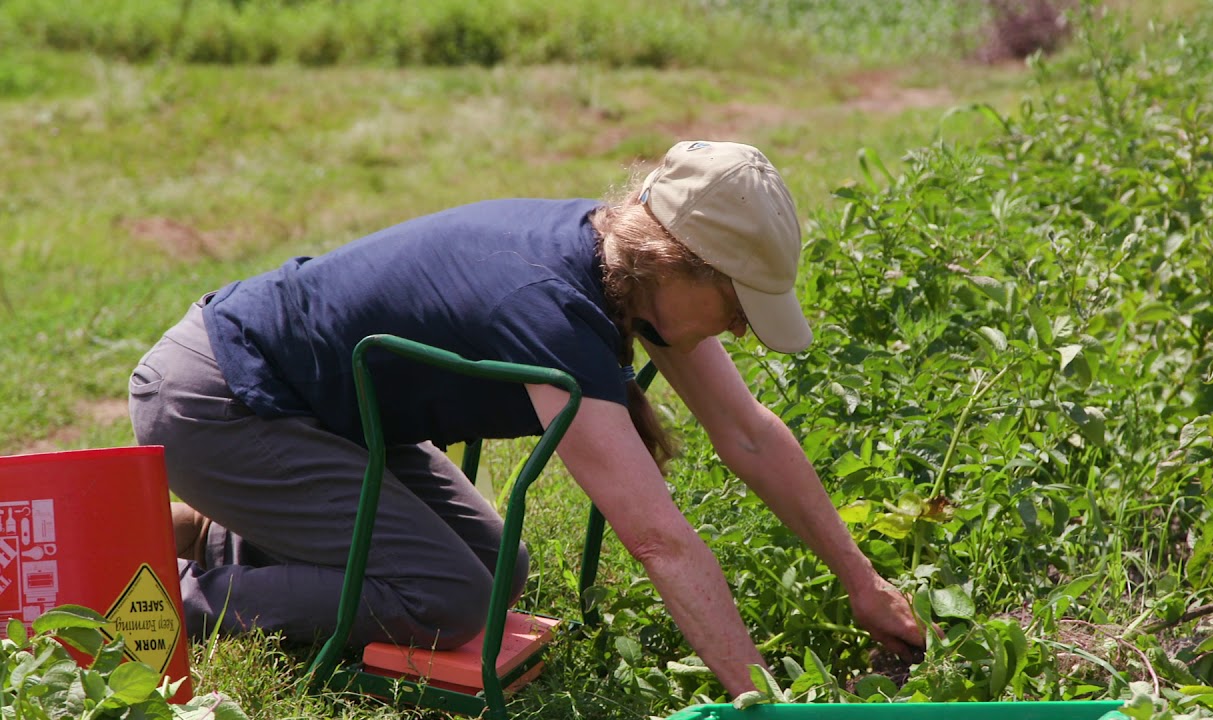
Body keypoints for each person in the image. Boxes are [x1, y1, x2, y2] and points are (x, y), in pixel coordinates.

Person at [128, 140, 926, 695]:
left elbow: (746, 431)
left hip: (314, 416)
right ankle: (174, 597)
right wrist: (760, 698)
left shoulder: (625, 275)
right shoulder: (550, 313)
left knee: (497, 575)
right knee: (445, 601)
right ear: (680, 259)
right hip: (222, 405)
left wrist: (864, 584)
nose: (742, 330)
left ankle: (222, 525)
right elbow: (654, 536)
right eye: (738, 306)